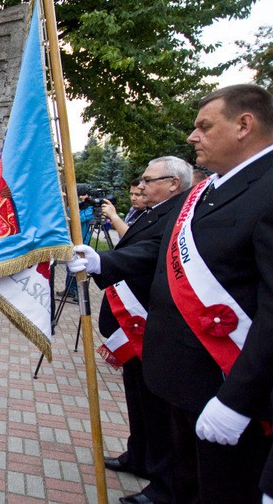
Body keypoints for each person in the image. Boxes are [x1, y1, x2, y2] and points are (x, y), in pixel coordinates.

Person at [69, 84, 273, 502]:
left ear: (244, 125)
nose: (191, 137)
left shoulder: (269, 189)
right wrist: (102, 262)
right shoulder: (206, 191)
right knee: (186, 478)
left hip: (225, 383)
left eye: (204, 126)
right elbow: (159, 253)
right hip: (181, 375)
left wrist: (238, 399)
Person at [97, 157, 193, 504]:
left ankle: (161, 476)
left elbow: (150, 253)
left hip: (152, 322)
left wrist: (100, 262)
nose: (141, 186)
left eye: (149, 180)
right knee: (137, 396)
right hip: (134, 323)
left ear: (172, 184)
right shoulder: (154, 211)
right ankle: (138, 454)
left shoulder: (179, 213)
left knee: (158, 406)